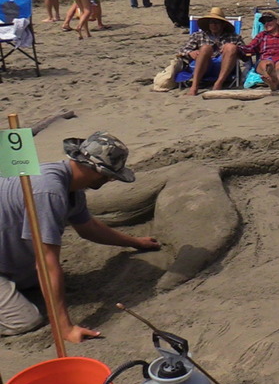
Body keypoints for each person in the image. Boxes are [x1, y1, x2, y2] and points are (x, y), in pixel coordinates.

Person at [0, 132, 160, 341]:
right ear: (91, 167)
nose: (109, 179)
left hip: (9, 258)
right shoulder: (49, 191)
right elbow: (46, 264)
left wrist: (135, 242)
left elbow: (88, 227)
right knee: (25, 320)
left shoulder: (71, 187)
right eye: (108, 174)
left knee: (42, 284)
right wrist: (65, 328)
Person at [180, 7, 245, 95]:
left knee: (230, 47)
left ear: (223, 25)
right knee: (206, 48)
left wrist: (231, 49)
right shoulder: (198, 36)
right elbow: (182, 51)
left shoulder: (233, 37)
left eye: (217, 22)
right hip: (202, 66)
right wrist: (190, 53)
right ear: (208, 24)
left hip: (224, 67)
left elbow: (245, 53)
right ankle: (194, 86)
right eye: (212, 22)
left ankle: (218, 83)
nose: (214, 25)